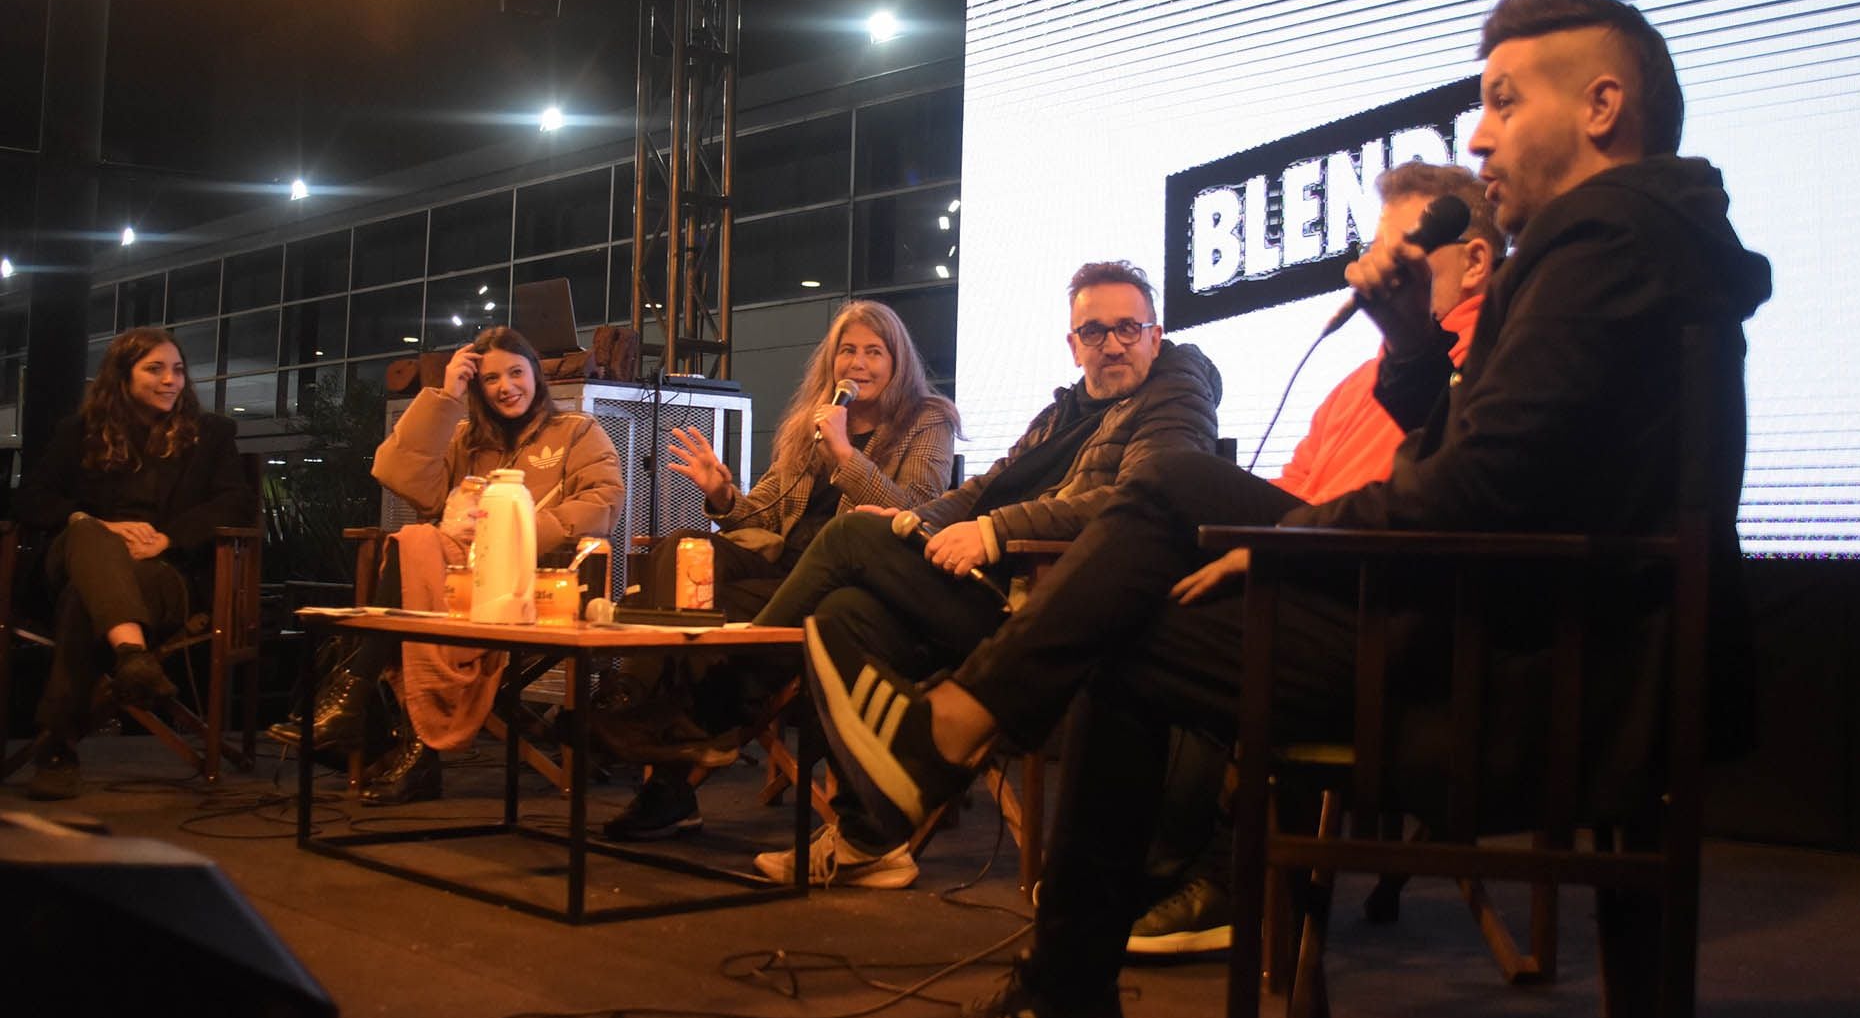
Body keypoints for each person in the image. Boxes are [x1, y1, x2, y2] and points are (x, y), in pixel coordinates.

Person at [804, 0, 1771, 1018]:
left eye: (1504, 100)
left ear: (1603, 106)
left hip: (1508, 672)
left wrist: (1278, 545)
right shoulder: (1644, 237)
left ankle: (1007, 862)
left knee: (1132, 616)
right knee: (1173, 486)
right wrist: (1412, 347)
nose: (1479, 132)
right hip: (1528, 635)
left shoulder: (1603, 241)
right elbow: (1497, 465)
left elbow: (1477, 491)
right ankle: (969, 757)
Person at [746, 260, 1223, 890]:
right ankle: (871, 839)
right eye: (1094, 332)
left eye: (1128, 329)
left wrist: (994, 533)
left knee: (847, 538)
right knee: (841, 615)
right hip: (983, 583)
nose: (1111, 345)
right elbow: (982, 489)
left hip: (1044, 604)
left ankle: (728, 699)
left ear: (1155, 336)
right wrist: (910, 520)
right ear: (1073, 343)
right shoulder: (1063, 413)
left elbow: (1141, 497)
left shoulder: (1175, 392)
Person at [1131, 160, 1501, 956]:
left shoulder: (1491, 365)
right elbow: (1292, 487)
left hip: (1385, 611)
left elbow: (1416, 508)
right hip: (1307, 568)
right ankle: (1160, 870)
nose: (1372, 274)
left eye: (1402, 253)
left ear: (1474, 261)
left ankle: (1227, 880)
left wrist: (1276, 554)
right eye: (1374, 251)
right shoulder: (1353, 385)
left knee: (1178, 512)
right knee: (1167, 569)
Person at [596, 299, 960, 841]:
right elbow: (765, 508)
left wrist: (846, 455)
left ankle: (673, 769)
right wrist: (722, 494)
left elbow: (917, 508)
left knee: (734, 610)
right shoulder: (810, 421)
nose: (858, 364)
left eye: (874, 352)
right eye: (848, 351)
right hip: (782, 560)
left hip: (852, 576)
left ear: (898, 361)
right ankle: (633, 699)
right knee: (682, 551)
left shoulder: (926, 420)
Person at [283, 325, 621, 805]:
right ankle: (402, 741)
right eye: (490, 379)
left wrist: (512, 530)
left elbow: (604, 502)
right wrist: (443, 396)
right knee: (415, 546)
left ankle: (362, 703)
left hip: (539, 580)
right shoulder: (466, 440)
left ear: (536, 376)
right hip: (455, 587)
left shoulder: (577, 432)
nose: (506, 387)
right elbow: (397, 474)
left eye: (516, 373)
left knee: (412, 556)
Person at [13, 327, 255, 801]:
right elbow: (30, 498)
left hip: (160, 574)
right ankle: (133, 659)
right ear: (121, 377)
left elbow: (236, 504)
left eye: (178, 370)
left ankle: (61, 744)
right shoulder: (77, 432)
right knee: (89, 537)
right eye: (155, 369)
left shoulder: (211, 436)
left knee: (81, 601)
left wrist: (166, 539)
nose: (171, 380)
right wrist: (90, 521)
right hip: (75, 552)